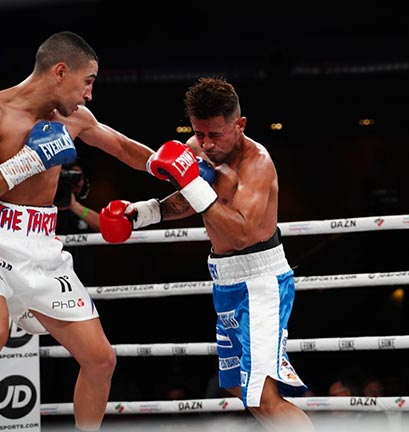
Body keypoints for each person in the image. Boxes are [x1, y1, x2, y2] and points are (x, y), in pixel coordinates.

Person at [0, 31, 154, 432]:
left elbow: (123, 149)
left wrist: (173, 166)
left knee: (101, 360)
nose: (89, 95)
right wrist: (28, 161)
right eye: (88, 81)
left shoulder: (75, 120)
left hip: (43, 246)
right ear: (60, 71)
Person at [99, 77, 314, 430]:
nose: (206, 144)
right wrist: (145, 212)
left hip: (261, 280)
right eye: (199, 134)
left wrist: (193, 183)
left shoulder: (256, 163)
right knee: (236, 385)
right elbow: (190, 199)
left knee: (263, 396)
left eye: (215, 134)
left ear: (239, 124)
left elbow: (242, 231)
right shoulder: (196, 148)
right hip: (225, 279)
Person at [56, 159, 100, 233]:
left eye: (76, 176)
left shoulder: (88, 204)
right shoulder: (40, 201)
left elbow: (108, 229)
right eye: (64, 176)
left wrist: (75, 206)